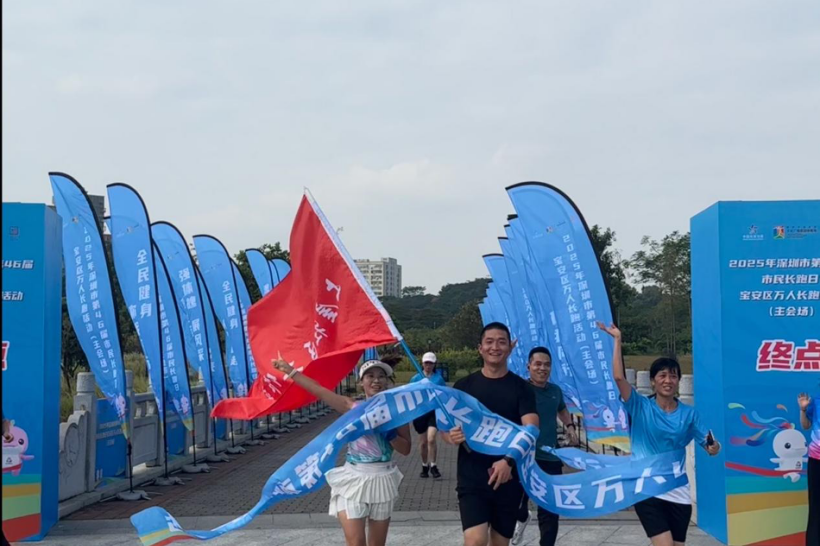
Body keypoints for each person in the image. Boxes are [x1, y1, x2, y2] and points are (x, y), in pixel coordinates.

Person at [597, 323, 720, 546]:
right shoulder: (640, 406)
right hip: (647, 487)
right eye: (662, 376)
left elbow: (709, 446)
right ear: (653, 381)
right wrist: (617, 340)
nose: (668, 380)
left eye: (673, 376)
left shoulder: (689, 415)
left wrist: (714, 447)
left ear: (678, 381)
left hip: (678, 490)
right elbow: (618, 378)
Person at [272, 358, 412, 546]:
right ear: (361, 382)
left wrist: (390, 434)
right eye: (370, 376)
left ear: (388, 381)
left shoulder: (398, 413)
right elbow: (319, 390)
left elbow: (406, 449)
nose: (376, 381)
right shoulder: (352, 408)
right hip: (353, 478)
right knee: (356, 543)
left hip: (382, 479)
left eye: (381, 376)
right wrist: (290, 371)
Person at [441, 322, 539, 546]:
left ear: (510, 348)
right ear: (480, 348)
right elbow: (446, 430)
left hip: (509, 477)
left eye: (502, 341)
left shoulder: (522, 388)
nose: (495, 347)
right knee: (474, 541)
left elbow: (531, 429)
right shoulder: (464, 386)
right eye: (490, 341)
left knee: (499, 542)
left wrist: (508, 461)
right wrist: (450, 436)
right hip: (471, 478)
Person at [511, 347, 579, 546]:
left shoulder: (555, 391)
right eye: (538, 364)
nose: (542, 368)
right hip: (524, 457)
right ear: (528, 366)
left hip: (550, 457)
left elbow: (562, 409)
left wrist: (570, 426)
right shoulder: (521, 389)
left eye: (547, 365)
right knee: (516, 503)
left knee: (550, 509)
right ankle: (522, 518)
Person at [409, 352, 446, 479]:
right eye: (426, 363)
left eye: (430, 363)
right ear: (422, 363)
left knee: (431, 439)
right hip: (420, 413)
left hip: (433, 412)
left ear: (434, 364)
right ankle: (425, 465)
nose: (428, 365)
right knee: (423, 442)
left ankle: (434, 466)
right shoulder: (415, 379)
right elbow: (409, 395)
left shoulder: (438, 379)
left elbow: (444, 394)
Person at [798, 389, 819, 545]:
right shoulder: (816, 401)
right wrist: (803, 409)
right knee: (816, 506)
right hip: (816, 460)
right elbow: (806, 425)